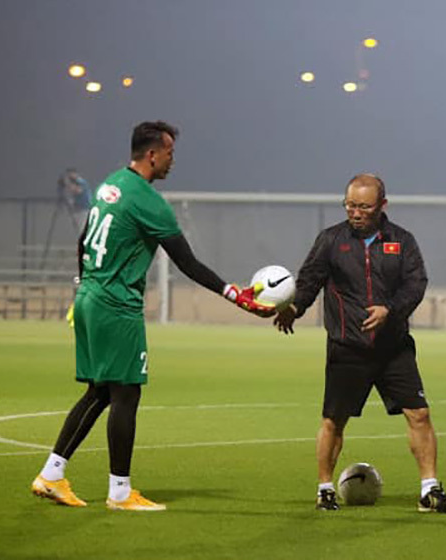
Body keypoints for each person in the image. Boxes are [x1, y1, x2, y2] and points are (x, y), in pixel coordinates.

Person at [32, 121, 273, 512]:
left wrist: (84, 286)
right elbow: (188, 263)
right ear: (152, 154)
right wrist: (236, 295)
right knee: (126, 393)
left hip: (91, 297)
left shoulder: (111, 185)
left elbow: (83, 241)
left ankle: (52, 474)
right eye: (170, 154)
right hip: (116, 305)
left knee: (100, 391)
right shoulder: (149, 202)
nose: (172, 161)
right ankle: (120, 492)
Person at [274, 173, 446, 513]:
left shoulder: (402, 241)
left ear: (382, 206)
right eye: (350, 205)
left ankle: (429, 490)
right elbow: (310, 280)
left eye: (364, 206)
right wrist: (295, 308)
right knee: (334, 420)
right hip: (348, 347)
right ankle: (325, 490)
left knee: (420, 414)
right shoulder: (331, 240)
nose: (355, 212)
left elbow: (415, 285)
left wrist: (391, 310)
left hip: (393, 348)